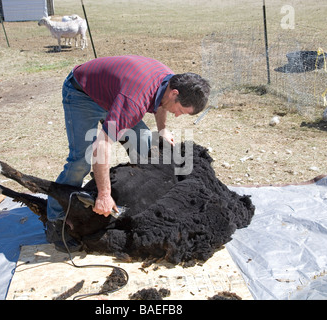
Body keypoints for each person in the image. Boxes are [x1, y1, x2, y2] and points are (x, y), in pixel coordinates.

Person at [46, 55, 211, 251]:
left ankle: (137, 199)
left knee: (145, 145)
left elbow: (160, 103)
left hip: (114, 96)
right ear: (175, 93)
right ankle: (54, 221)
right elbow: (102, 146)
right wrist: (104, 195)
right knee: (80, 161)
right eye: (180, 110)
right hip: (82, 94)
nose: (177, 114)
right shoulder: (134, 101)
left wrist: (163, 128)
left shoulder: (169, 81)